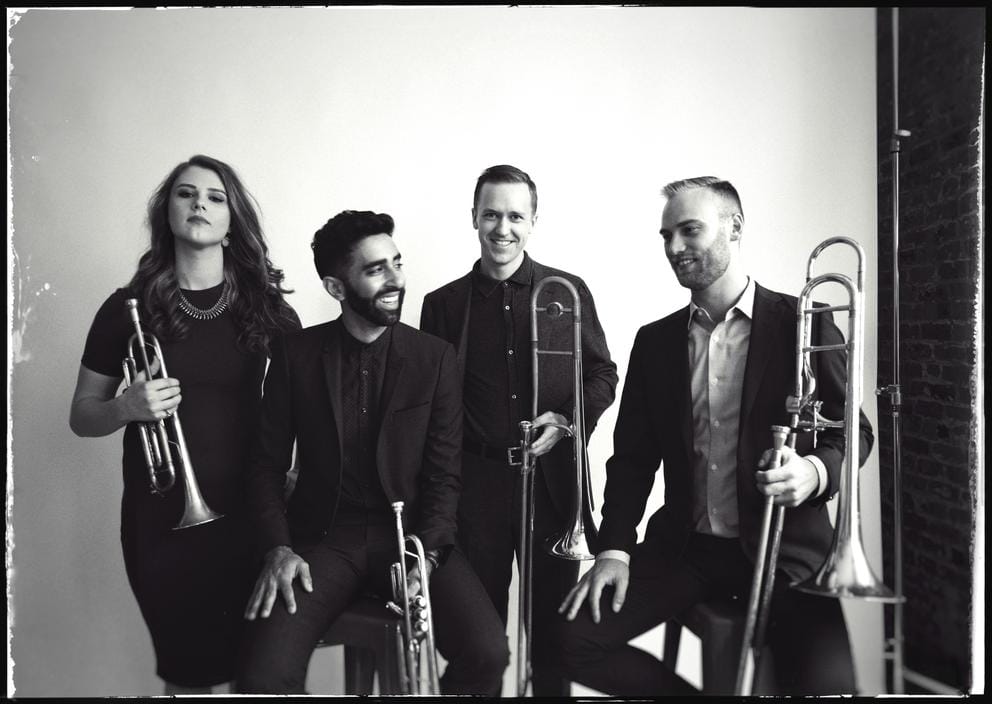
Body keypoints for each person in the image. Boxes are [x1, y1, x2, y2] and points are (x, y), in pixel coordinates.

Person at [556, 177, 874, 695]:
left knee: (832, 687)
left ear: (735, 227)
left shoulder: (804, 322)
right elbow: (633, 459)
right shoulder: (655, 342)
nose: (675, 248)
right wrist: (614, 549)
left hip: (784, 548)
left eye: (689, 230)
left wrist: (812, 473)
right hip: (689, 549)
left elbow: (854, 431)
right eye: (666, 235)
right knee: (571, 640)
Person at [236, 209, 508, 695]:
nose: (395, 279)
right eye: (375, 269)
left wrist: (425, 561)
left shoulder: (434, 357)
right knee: (263, 677)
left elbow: (445, 474)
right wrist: (278, 548)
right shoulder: (294, 355)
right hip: (323, 540)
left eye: (396, 263)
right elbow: (264, 466)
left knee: (489, 653)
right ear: (336, 288)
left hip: (412, 541)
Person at [69, 154, 301, 694]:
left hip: (253, 516)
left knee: (257, 675)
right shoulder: (126, 309)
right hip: (162, 522)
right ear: (166, 211)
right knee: (190, 676)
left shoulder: (265, 309)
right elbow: (82, 414)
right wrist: (126, 407)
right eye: (185, 193)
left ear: (232, 220)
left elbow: (312, 408)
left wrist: (299, 475)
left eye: (216, 197)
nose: (199, 203)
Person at [420, 165, 618, 696]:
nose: (502, 228)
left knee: (554, 643)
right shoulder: (442, 305)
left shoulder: (566, 292)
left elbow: (602, 375)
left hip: (551, 487)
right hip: (474, 488)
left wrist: (570, 419)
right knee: (476, 644)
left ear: (533, 221)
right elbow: (429, 406)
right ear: (473, 219)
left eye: (514, 216)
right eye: (491, 214)